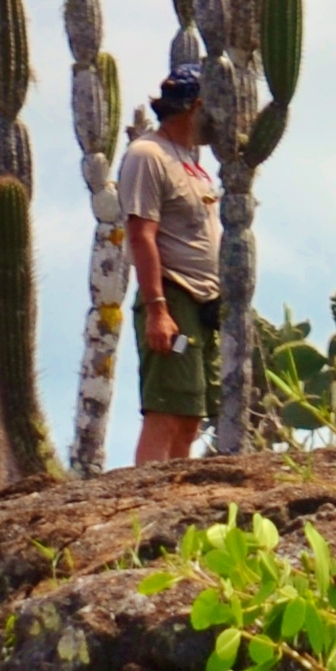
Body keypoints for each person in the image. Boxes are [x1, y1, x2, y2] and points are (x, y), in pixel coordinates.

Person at [113, 68, 221, 467]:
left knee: (192, 412)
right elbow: (142, 233)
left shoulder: (192, 160)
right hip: (173, 295)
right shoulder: (148, 155)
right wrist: (158, 309)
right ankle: (146, 498)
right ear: (196, 106)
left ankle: (178, 494)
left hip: (204, 300)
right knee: (166, 409)